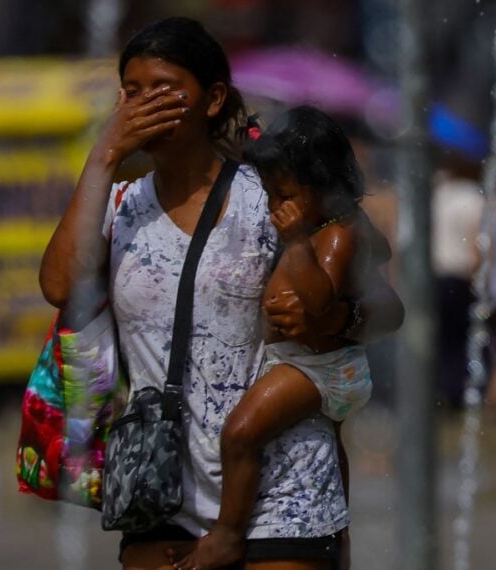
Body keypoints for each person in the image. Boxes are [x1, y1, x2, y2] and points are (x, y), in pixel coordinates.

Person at [38, 17, 402, 570]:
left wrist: (336, 320)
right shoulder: (117, 207)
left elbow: (384, 309)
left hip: (284, 491)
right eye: (132, 92)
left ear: (213, 100)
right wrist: (102, 156)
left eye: (165, 90)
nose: (146, 105)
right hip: (160, 487)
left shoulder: (275, 200)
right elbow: (60, 286)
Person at [174, 106, 390, 569]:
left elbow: (318, 302)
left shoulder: (331, 237)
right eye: (270, 194)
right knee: (329, 452)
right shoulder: (326, 225)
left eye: (285, 195)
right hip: (305, 365)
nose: (275, 208)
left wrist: (295, 244)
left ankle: (228, 535)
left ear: (325, 186)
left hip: (318, 369)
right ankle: (341, 538)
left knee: (240, 433)